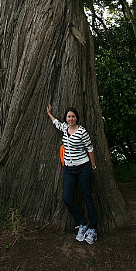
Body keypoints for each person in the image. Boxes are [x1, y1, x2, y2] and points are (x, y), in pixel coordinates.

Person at [46, 103, 98, 244]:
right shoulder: (65, 128)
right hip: (69, 169)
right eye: (69, 116)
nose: (71, 119)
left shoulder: (82, 131)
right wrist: (49, 113)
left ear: (77, 118)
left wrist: (92, 166)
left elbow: (90, 148)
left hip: (83, 167)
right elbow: (56, 123)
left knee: (87, 197)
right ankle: (82, 224)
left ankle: (92, 229)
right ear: (66, 118)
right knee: (67, 198)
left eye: (73, 116)